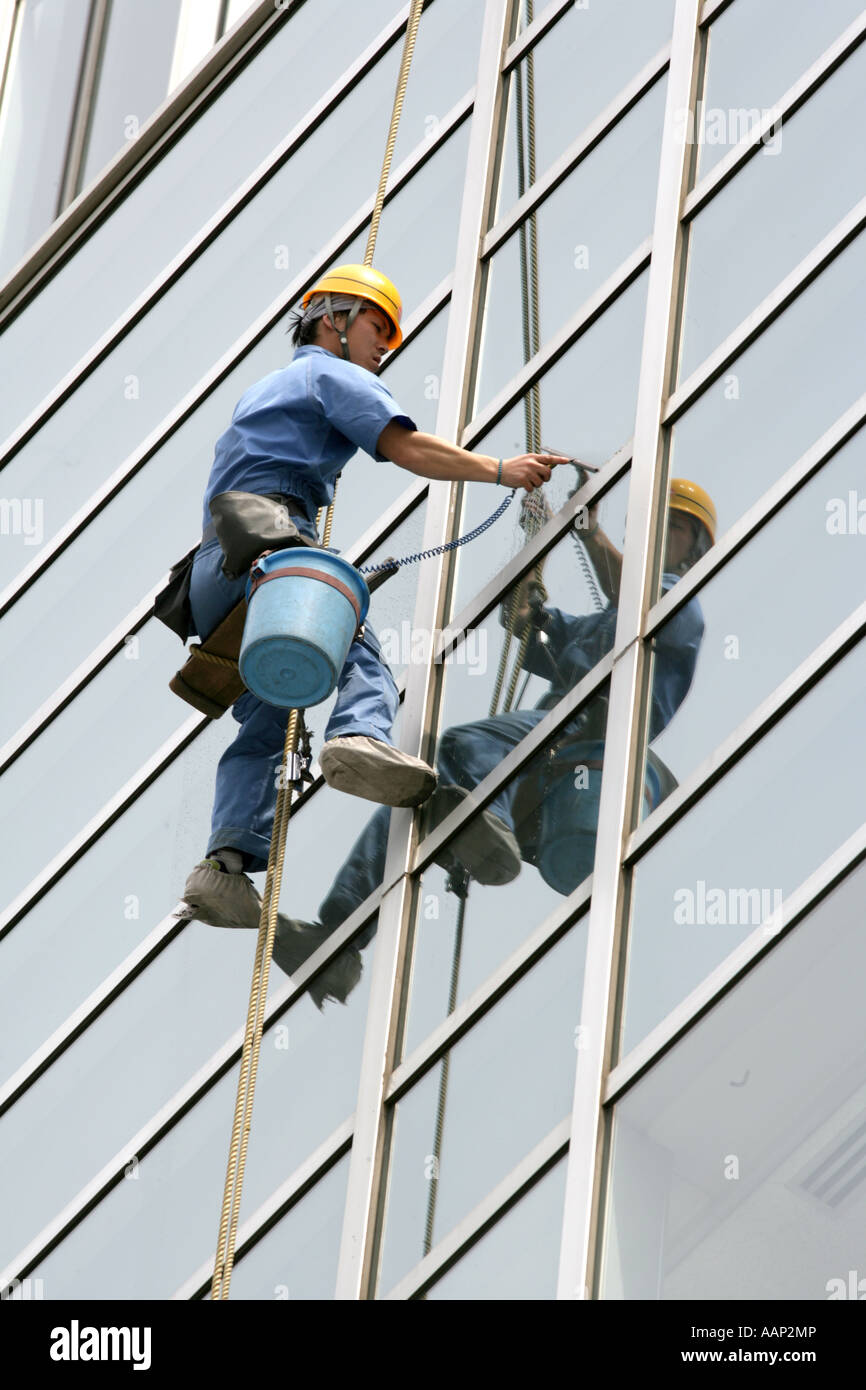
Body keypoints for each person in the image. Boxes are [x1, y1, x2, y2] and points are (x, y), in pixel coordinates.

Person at [178, 263, 567, 974]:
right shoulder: (328, 376)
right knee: (352, 637)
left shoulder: (266, 388)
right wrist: (501, 470)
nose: (384, 346)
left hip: (217, 568)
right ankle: (359, 734)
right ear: (332, 319)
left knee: (269, 713)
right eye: (377, 328)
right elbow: (406, 448)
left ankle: (224, 864)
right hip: (267, 539)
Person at [277, 478, 716, 1002]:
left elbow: (640, 595)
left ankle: (494, 823)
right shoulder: (602, 624)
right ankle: (338, 941)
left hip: (594, 736)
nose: (662, 533)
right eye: (658, 522)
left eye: (676, 528)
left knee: (461, 750)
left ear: (694, 550)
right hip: (560, 752)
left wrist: (589, 533)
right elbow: (525, 625)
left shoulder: (680, 606)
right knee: (417, 798)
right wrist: (534, 549)